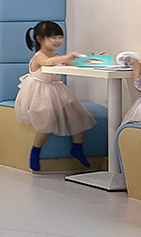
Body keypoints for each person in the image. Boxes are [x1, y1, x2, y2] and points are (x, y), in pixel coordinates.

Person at [16, 20, 97, 171]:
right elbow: (48, 62)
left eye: (60, 37)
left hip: (57, 90)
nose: (58, 40)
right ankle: (35, 151)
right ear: (39, 39)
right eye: (53, 37)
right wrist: (68, 56)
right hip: (40, 93)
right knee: (47, 122)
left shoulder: (57, 56)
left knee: (79, 115)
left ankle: (77, 148)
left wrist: (92, 59)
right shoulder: (39, 57)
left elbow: (75, 64)